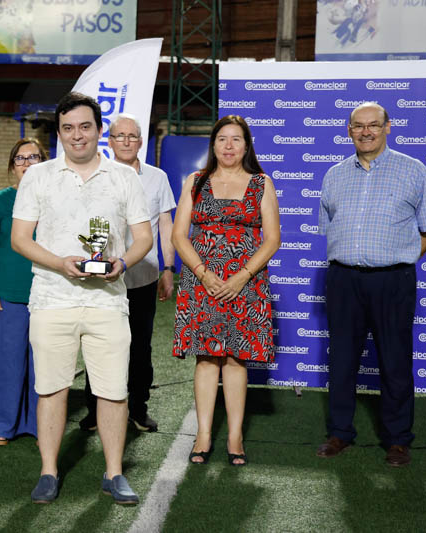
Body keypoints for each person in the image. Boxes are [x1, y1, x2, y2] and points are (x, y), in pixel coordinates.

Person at [12, 92, 152, 505]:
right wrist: (60, 263)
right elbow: (21, 239)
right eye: (68, 128)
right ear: (59, 133)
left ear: (99, 131)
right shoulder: (38, 176)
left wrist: (122, 263)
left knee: (113, 391)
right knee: (52, 389)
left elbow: (143, 236)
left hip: (108, 299)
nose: (77, 135)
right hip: (52, 298)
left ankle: (114, 473)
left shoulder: (124, 177)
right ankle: (49, 472)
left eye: (85, 127)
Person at [316, 102, 426, 467]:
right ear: (349, 130)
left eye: (373, 125)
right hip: (343, 279)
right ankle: (340, 433)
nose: (366, 131)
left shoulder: (413, 170)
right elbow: (328, 227)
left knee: (395, 360)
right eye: (358, 126)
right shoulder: (334, 175)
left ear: (388, 127)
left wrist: (399, 257)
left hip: (393, 280)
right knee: (341, 360)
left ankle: (398, 439)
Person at [172, 115, 280, 466]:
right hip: (202, 284)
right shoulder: (195, 181)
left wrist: (242, 277)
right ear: (213, 145)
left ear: (246, 145)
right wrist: (204, 274)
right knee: (206, 358)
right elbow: (178, 236)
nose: (229, 146)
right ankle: (203, 434)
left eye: (236, 139)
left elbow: (272, 239)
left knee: (235, 358)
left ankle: (234, 436)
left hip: (244, 286)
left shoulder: (262, 183)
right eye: (222, 139)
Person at [80, 113, 176, 434]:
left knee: (141, 346)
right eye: (119, 136)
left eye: (132, 136)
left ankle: (138, 408)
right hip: (104, 279)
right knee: (100, 343)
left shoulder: (157, 178)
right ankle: (95, 410)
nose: (125, 141)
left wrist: (168, 268)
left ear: (140, 142)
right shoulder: (96, 177)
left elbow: (165, 225)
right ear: (109, 141)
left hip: (144, 277)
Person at [0, 138, 46, 446]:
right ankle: (2, 424)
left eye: (34, 157)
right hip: (9, 294)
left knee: (43, 364)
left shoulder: (55, 199)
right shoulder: (0, 201)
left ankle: (37, 423)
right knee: (7, 361)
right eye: (20, 158)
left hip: (48, 295)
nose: (27, 163)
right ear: (12, 166)